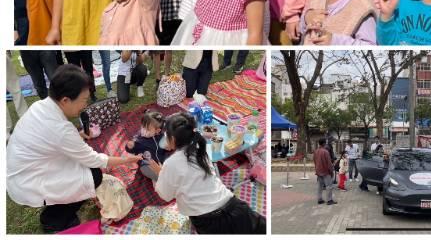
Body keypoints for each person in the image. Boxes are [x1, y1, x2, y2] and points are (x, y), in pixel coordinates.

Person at [6, 64, 141, 233]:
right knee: (94, 175)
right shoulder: (60, 129)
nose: (84, 106)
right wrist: (126, 159)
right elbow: (95, 159)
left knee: (82, 170)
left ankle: (59, 209)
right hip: (27, 182)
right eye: (83, 101)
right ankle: (54, 219)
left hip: (23, 170)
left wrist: (78, 136)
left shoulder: (41, 106)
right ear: (65, 100)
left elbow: (51, 140)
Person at [153, 113, 266, 233]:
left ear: (173, 139)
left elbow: (165, 195)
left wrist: (160, 173)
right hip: (235, 207)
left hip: (207, 221)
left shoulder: (171, 163)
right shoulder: (201, 151)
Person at [126, 110, 170, 180]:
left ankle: (163, 175)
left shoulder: (161, 136)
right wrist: (130, 146)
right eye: (143, 126)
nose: (143, 130)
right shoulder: (139, 138)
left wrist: (168, 146)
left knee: (171, 164)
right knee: (147, 169)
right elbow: (132, 149)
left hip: (161, 160)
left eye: (147, 129)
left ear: (157, 131)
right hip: (146, 163)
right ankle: (160, 178)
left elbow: (167, 146)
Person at [314, 137, 337, 205]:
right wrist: (331, 171)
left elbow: (314, 161)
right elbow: (329, 163)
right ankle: (329, 200)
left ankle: (319, 199)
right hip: (326, 171)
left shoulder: (316, 151)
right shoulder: (325, 152)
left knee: (320, 186)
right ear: (324, 143)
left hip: (318, 171)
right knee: (329, 186)